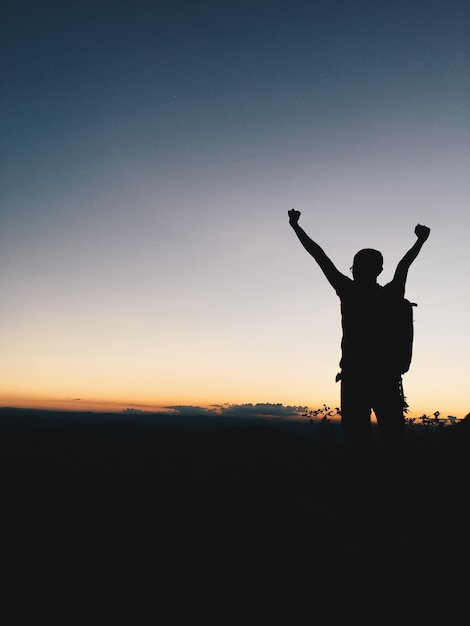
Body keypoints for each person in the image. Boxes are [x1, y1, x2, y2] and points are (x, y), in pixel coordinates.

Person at [288, 209, 430, 455]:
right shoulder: (391, 294)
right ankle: (396, 484)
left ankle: (359, 485)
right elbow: (404, 264)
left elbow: (318, 255)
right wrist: (420, 240)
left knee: (356, 441)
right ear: (379, 270)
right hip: (387, 378)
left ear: (355, 268)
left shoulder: (349, 291)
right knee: (393, 438)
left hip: (355, 378)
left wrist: (295, 226)